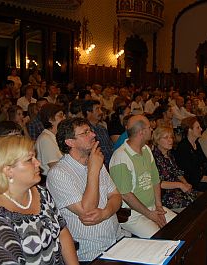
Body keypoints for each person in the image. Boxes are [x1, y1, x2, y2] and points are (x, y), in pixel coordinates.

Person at [0, 135, 78, 264]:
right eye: (30, 159)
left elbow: (62, 233)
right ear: (8, 170)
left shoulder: (40, 192)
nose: (38, 163)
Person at [47, 117, 124, 262]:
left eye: (91, 130)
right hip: (91, 252)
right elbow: (87, 210)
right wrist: (93, 170)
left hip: (117, 239)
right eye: (85, 132)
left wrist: (106, 213)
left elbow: (116, 196)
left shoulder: (94, 160)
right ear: (70, 142)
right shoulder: (59, 173)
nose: (93, 135)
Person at [109, 115, 177, 238]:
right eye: (149, 127)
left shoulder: (146, 149)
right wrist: (150, 215)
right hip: (133, 215)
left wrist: (159, 206)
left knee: (179, 226)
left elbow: (155, 180)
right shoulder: (120, 157)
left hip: (152, 207)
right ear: (141, 132)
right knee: (161, 238)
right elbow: (126, 195)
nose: (152, 130)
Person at [152, 126, 197, 212]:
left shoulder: (170, 155)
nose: (170, 140)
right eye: (166, 137)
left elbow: (178, 173)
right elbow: (158, 183)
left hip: (176, 190)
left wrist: (185, 183)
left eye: (171, 137)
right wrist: (180, 185)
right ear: (157, 140)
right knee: (191, 207)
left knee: (200, 198)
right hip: (164, 195)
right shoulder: (154, 158)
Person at [175, 116, 207, 192]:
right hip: (192, 182)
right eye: (198, 128)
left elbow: (205, 160)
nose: (201, 129)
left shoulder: (196, 143)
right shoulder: (183, 147)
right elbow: (190, 172)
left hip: (203, 177)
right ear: (190, 130)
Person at [36, 103, 65, 176]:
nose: (64, 118)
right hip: (53, 180)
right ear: (50, 119)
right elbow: (55, 168)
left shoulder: (56, 136)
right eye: (60, 115)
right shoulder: (45, 138)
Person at [83, 100, 114, 168]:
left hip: (111, 163)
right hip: (97, 165)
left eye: (100, 109)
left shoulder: (102, 128)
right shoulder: (84, 131)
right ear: (88, 112)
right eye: (97, 109)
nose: (101, 112)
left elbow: (111, 146)